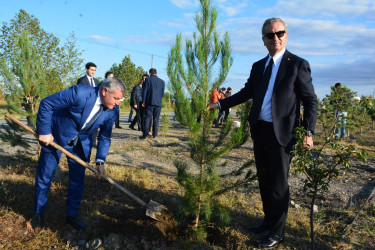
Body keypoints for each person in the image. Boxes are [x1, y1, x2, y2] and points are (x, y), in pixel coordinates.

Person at [209, 17, 317, 248]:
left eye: (279, 33)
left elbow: (310, 100)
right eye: (270, 35)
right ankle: (268, 221)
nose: (275, 38)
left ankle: (278, 232)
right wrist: (220, 105)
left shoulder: (297, 64)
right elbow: (247, 92)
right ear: (264, 40)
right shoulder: (259, 66)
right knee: (265, 180)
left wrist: (308, 131)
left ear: (286, 36)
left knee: (279, 184)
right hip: (260, 130)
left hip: (283, 134)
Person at [31, 77, 126, 231]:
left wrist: (100, 161)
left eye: (120, 99)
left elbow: (104, 137)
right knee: (45, 176)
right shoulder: (79, 93)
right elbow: (47, 103)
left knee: (77, 180)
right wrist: (45, 131)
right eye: (116, 98)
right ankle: (38, 213)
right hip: (55, 136)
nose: (118, 103)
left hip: (80, 144)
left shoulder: (112, 111)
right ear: (104, 91)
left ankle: (71, 215)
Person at [77, 62, 100, 146]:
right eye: (91, 70)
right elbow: (80, 94)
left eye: (95, 70)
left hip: (95, 106)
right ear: (86, 69)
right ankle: (81, 142)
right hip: (85, 106)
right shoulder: (81, 80)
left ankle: (93, 142)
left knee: (94, 124)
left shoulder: (96, 81)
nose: (93, 72)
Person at [141, 68, 165, 139]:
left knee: (147, 119)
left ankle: (145, 135)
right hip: (158, 103)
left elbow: (144, 91)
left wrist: (143, 101)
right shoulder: (162, 81)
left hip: (149, 102)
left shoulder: (147, 80)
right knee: (156, 119)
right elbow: (162, 93)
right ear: (156, 73)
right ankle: (155, 135)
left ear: (150, 73)